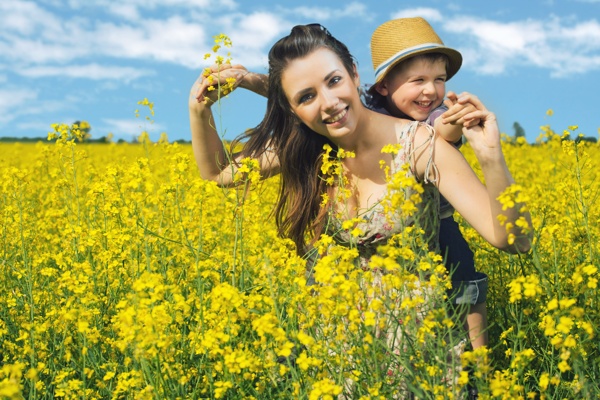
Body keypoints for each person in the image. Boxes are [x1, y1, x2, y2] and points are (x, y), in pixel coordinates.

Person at [193, 18, 496, 351]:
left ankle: (480, 375)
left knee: (465, 280)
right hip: (345, 336)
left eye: (438, 80)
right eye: (417, 80)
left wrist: (467, 135)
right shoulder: (324, 131)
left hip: (414, 324)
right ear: (382, 84)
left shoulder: (422, 133)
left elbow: (443, 126)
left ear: (354, 74)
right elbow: (300, 96)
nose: (429, 91)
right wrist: (203, 108)